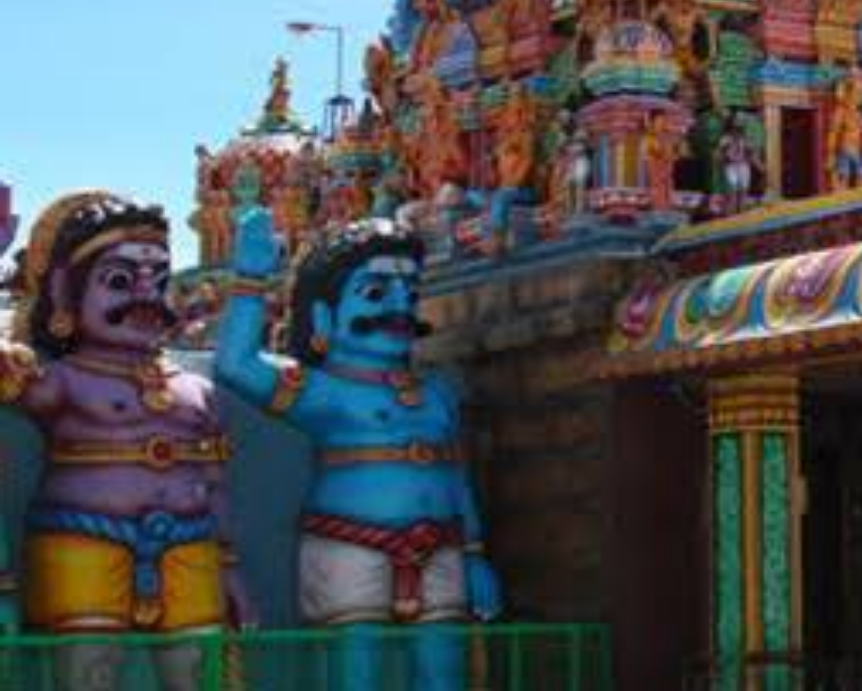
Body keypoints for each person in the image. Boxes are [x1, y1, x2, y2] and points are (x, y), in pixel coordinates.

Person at [215, 210, 501, 691]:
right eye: (375, 293)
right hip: (349, 546)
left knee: (443, 673)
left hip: (441, 546)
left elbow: (455, 478)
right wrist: (249, 280)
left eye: (410, 293)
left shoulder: (436, 394)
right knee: (355, 675)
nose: (400, 306)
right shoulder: (320, 390)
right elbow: (236, 365)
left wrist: (474, 556)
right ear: (323, 316)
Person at [0, 191, 250, 689]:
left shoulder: (195, 389)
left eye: (159, 280)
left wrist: (230, 570)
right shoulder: (61, 380)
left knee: (203, 674)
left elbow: (215, 483)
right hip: (82, 541)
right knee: (89, 673)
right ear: (65, 291)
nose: (146, 295)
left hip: (190, 544)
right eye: (119, 280)